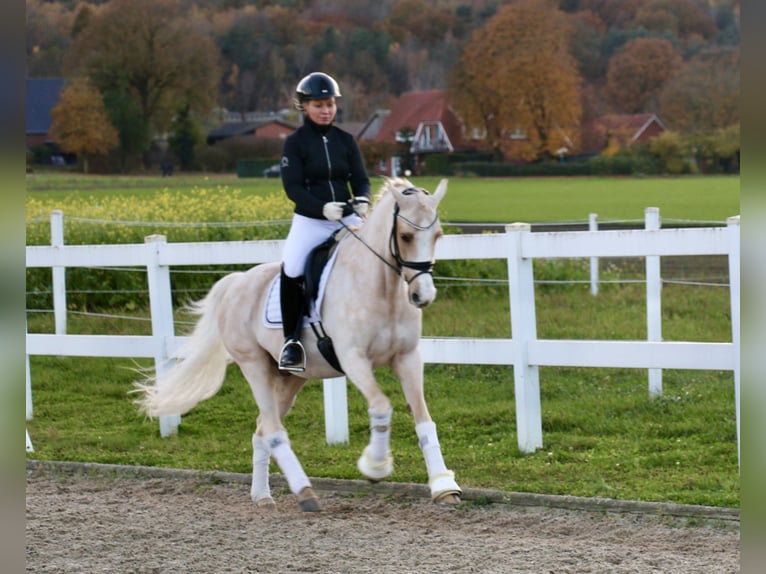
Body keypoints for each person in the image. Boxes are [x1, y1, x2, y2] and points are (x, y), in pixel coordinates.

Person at [278, 72, 372, 372]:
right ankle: (291, 342)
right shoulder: (295, 143)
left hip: (347, 218)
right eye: (318, 104)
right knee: (292, 266)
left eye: (329, 104)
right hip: (311, 221)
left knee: (380, 254)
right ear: (304, 106)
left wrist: (363, 199)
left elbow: (360, 179)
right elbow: (293, 188)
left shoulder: (346, 140)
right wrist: (321, 209)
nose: (325, 110)